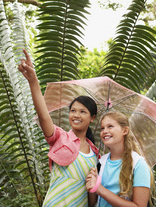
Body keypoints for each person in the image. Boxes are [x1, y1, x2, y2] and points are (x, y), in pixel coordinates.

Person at [18, 49, 99, 207]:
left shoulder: (95, 154)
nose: (76, 115)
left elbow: (92, 198)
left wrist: (94, 184)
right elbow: (44, 116)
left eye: (83, 112)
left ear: (92, 118)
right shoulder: (61, 138)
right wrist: (33, 81)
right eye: (73, 111)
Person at [86, 111, 155, 207]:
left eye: (110, 126)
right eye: (102, 128)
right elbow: (92, 203)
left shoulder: (138, 164)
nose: (104, 131)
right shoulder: (100, 163)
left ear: (125, 131)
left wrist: (100, 189)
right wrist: (92, 186)